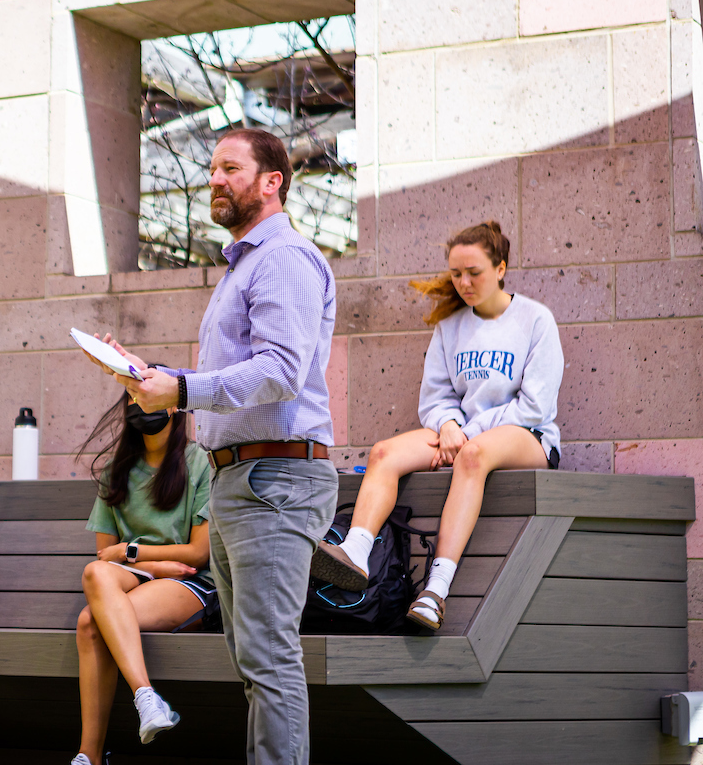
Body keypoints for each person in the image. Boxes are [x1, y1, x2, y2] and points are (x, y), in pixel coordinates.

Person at [85, 128, 337, 765]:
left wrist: (184, 388)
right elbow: (224, 381)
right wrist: (150, 379)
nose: (214, 179)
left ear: (271, 180)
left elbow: (281, 369)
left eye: (230, 167)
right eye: (212, 167)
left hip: (275, 480)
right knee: (254, 662)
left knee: (269, 659)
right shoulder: (246, 265)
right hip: (239, 482)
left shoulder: (284, 258)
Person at [311, 221, 563, 630]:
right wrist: (447, 423)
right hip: (461, 435)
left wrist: (465, 433)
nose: (463, 282)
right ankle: (355, 553)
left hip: (528, 437)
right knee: (383, 453)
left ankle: (435, 592)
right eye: (456, 273)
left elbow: (534, 406)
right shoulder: (451, 327)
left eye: (474, 272)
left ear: (501, 268)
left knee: (474, 456)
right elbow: (436, 397)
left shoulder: (535, 320)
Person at [70, 390, 215, 765]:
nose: (139, 407)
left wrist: (137, 554)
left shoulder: (199, 461)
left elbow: (198, 553)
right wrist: (154, 566)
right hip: (139, 576)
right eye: (131, 399)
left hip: (189, 581)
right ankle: (144, 699)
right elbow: (104, 556)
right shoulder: (117, 470)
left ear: (173, 407)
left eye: (148, 397)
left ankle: (91, 753)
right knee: (94, 573)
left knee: (90, 622)